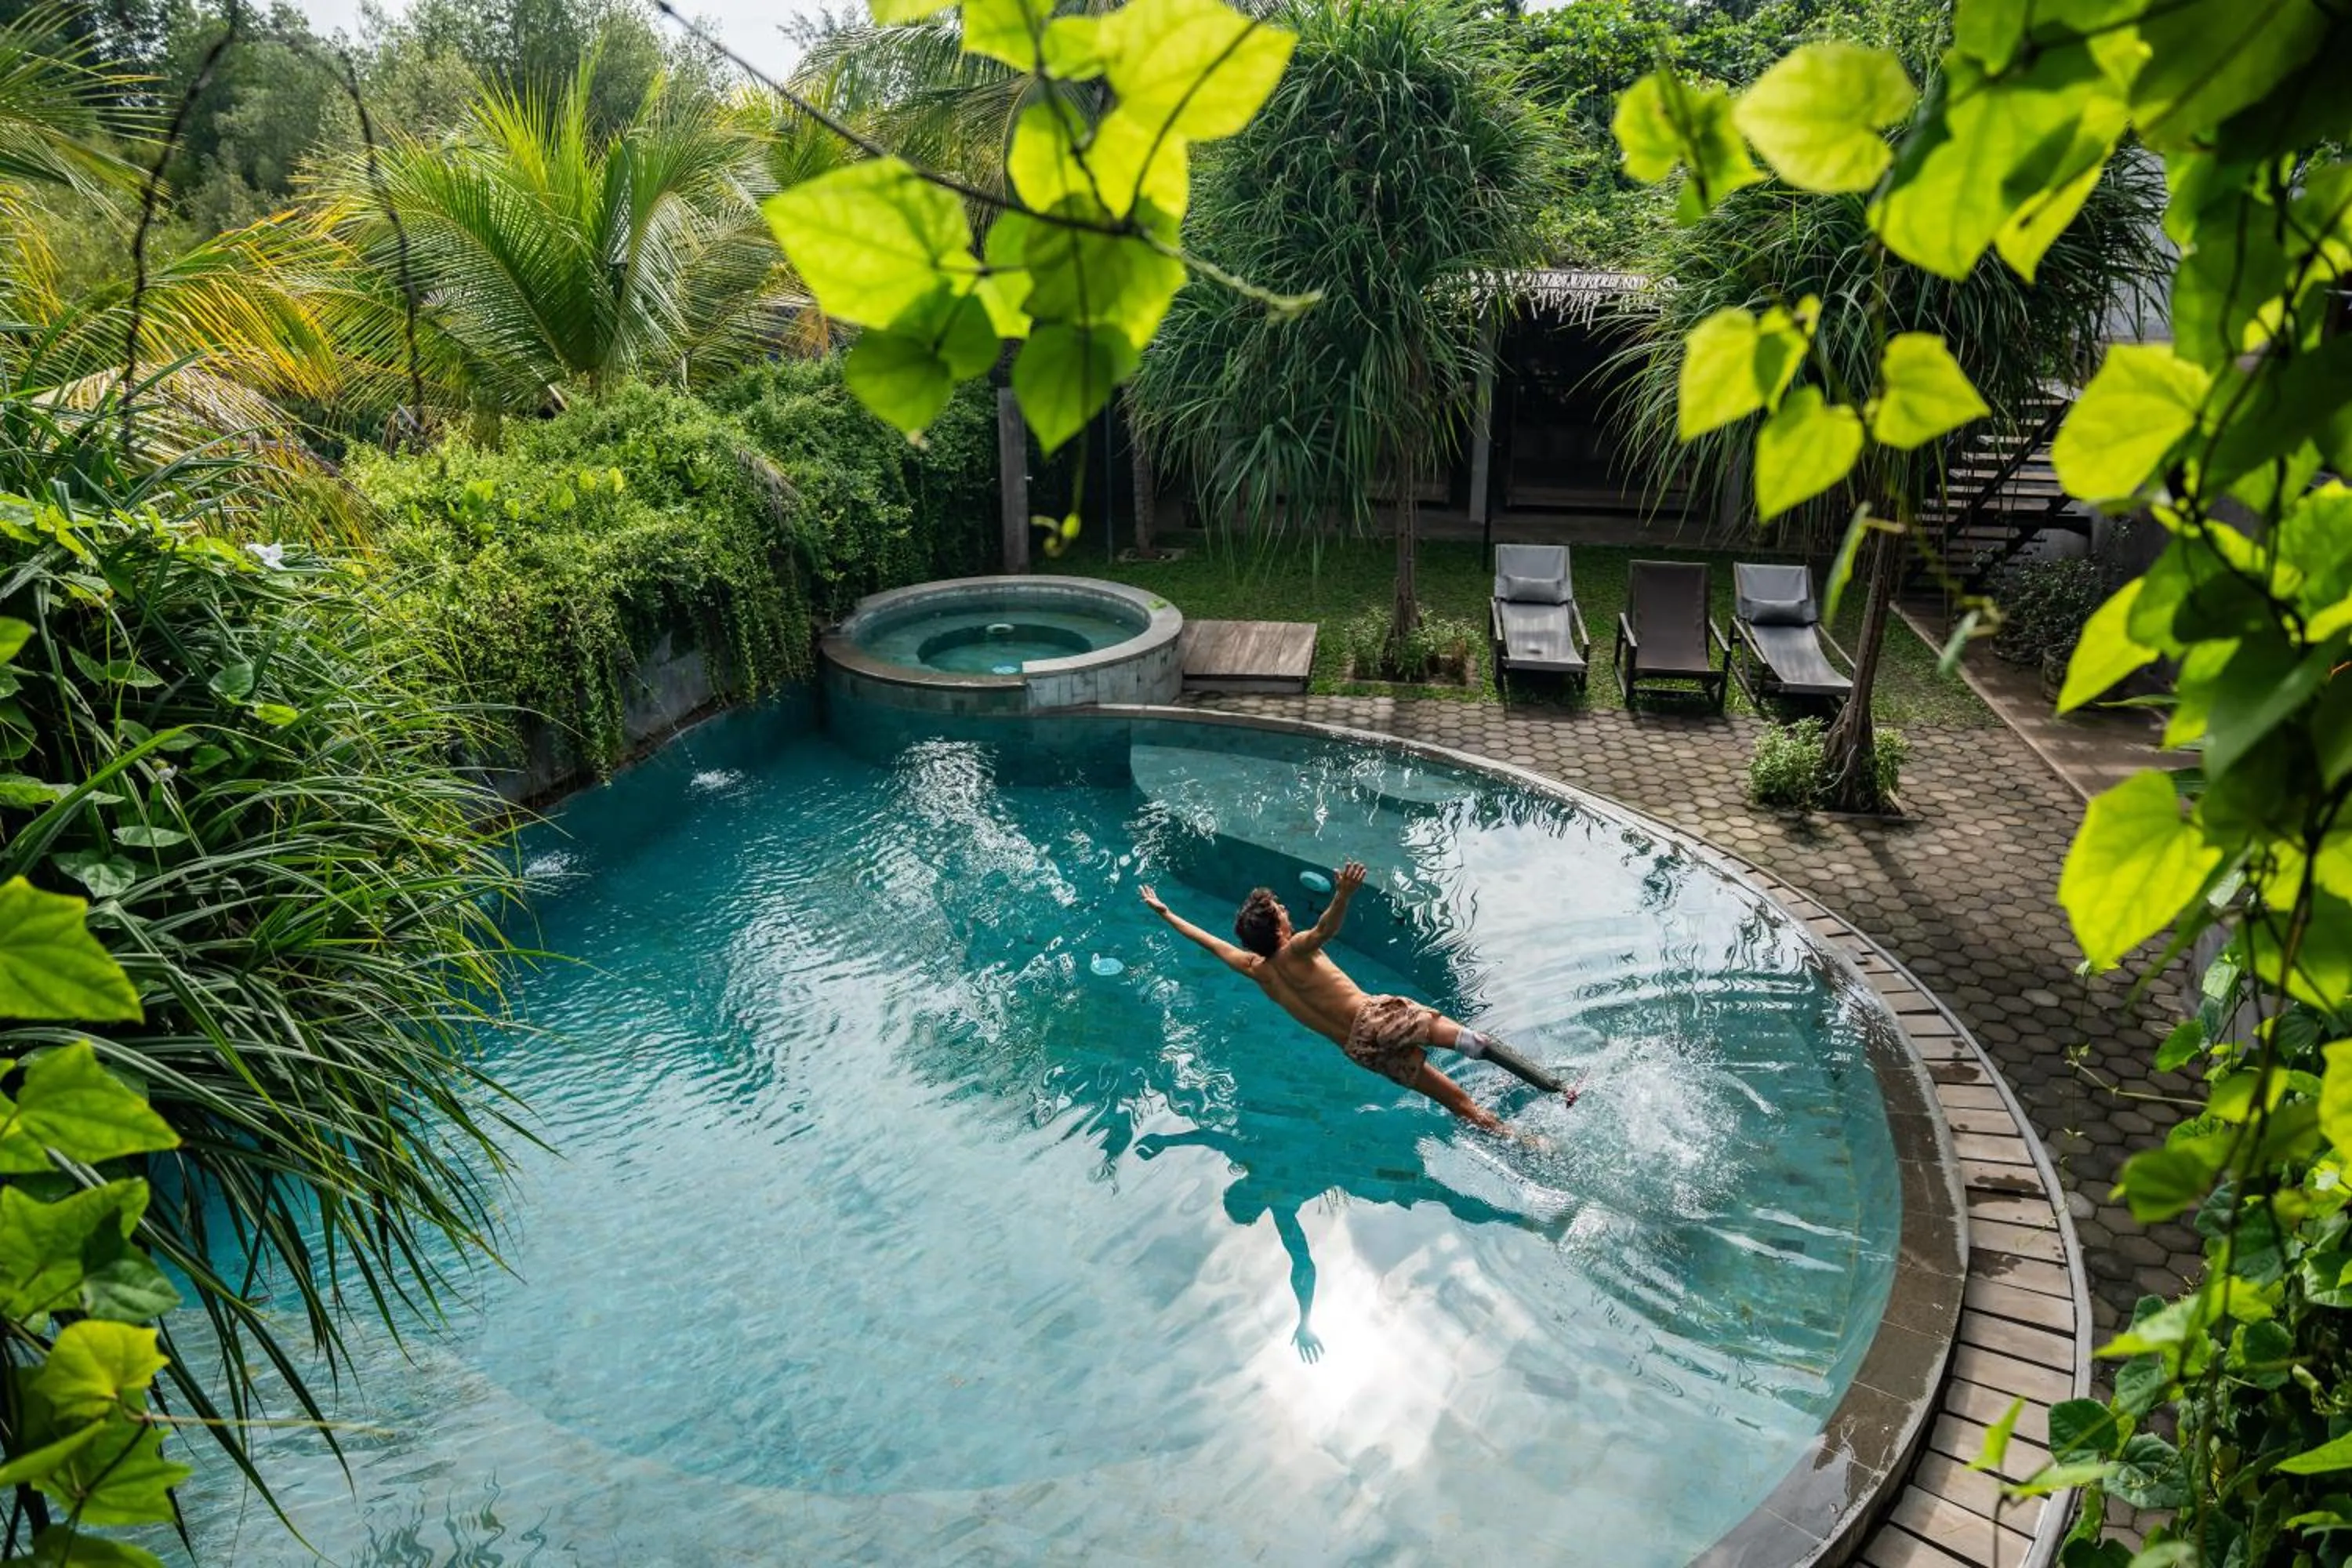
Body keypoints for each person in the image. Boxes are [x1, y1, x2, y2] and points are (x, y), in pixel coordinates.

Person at [1138, 862, 1579, 1131]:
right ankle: (1559, 1087)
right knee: (1476, 1044)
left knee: (1462, 1106)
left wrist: (1167, 913)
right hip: (1378, 1020)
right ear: (1278, 930)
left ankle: (1532, 1147)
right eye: (1282, 912)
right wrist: (1344, 893)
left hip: (1359, 1049)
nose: (1287, 911)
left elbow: (1210, 943)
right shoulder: (1297, 950)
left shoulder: (1258, 970)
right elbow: (1328, 927)